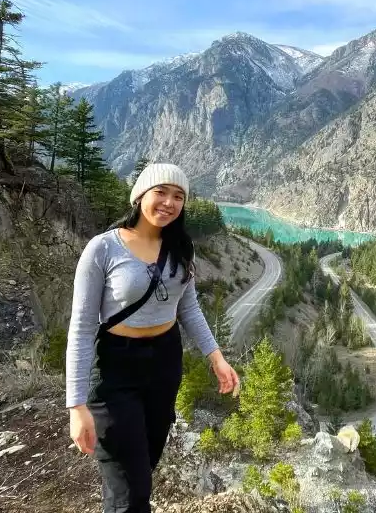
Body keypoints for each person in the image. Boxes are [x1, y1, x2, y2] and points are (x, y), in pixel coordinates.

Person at [66, 162, 240, 513]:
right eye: (160, 192)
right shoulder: (103, 249)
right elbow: (82, 327)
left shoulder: (180, 247)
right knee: (132, 489)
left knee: (144, 466)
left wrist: (216, 357)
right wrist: (77, 405)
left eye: (178, 196)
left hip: (164, 362)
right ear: (140, 195)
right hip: (116, 367)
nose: (169, 202)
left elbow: (188, 308)